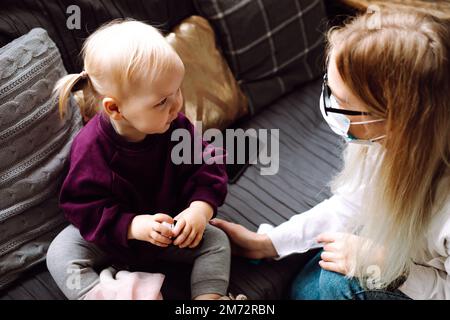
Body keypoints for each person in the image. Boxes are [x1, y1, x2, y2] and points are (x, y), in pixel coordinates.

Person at [211, 9, 450, 300]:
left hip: (425, 279)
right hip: (396, 248)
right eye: (328, 87)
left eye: (343, 102)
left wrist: (393, 268)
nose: (327, 104)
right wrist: (265, 243)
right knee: (310, 280)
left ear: (398, 121)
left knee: (336, 283)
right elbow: (349, 206)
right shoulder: (380, 145)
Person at [46, 20, 239, 300]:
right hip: (114, 237)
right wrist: (133, 226)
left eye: (177, 91)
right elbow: (82, 207)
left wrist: (199, 209)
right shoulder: (91, 148)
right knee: (60, 252)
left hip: (169, 228)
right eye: (162, 101)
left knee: (217, 240)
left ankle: (208, 298)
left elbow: (208, 163)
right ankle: (103, 294)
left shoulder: (176, 126)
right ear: (115, 108)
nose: (177, 105)